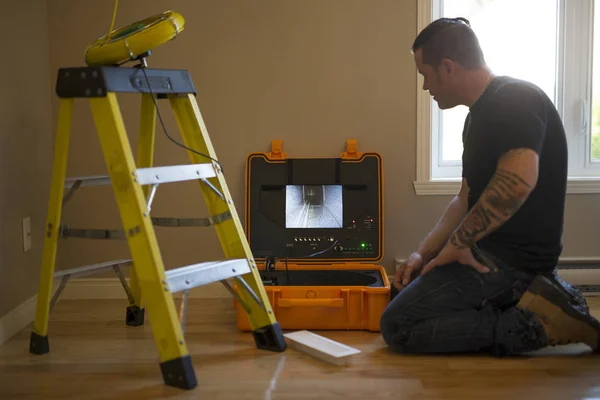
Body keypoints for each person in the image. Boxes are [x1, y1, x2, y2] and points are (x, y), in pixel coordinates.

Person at [380, 17, 600, 356]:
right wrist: (422, 254)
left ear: (448, 68)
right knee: (401, 293)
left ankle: (536, 324)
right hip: (488, 255)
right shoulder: (476, 118)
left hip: (513, 264)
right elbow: (464, 200)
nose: (425, 87)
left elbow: (518, 182)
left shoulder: (516, 99)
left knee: (398, 325)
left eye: (425, 75)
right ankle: (548, 300)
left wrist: (458, 243)